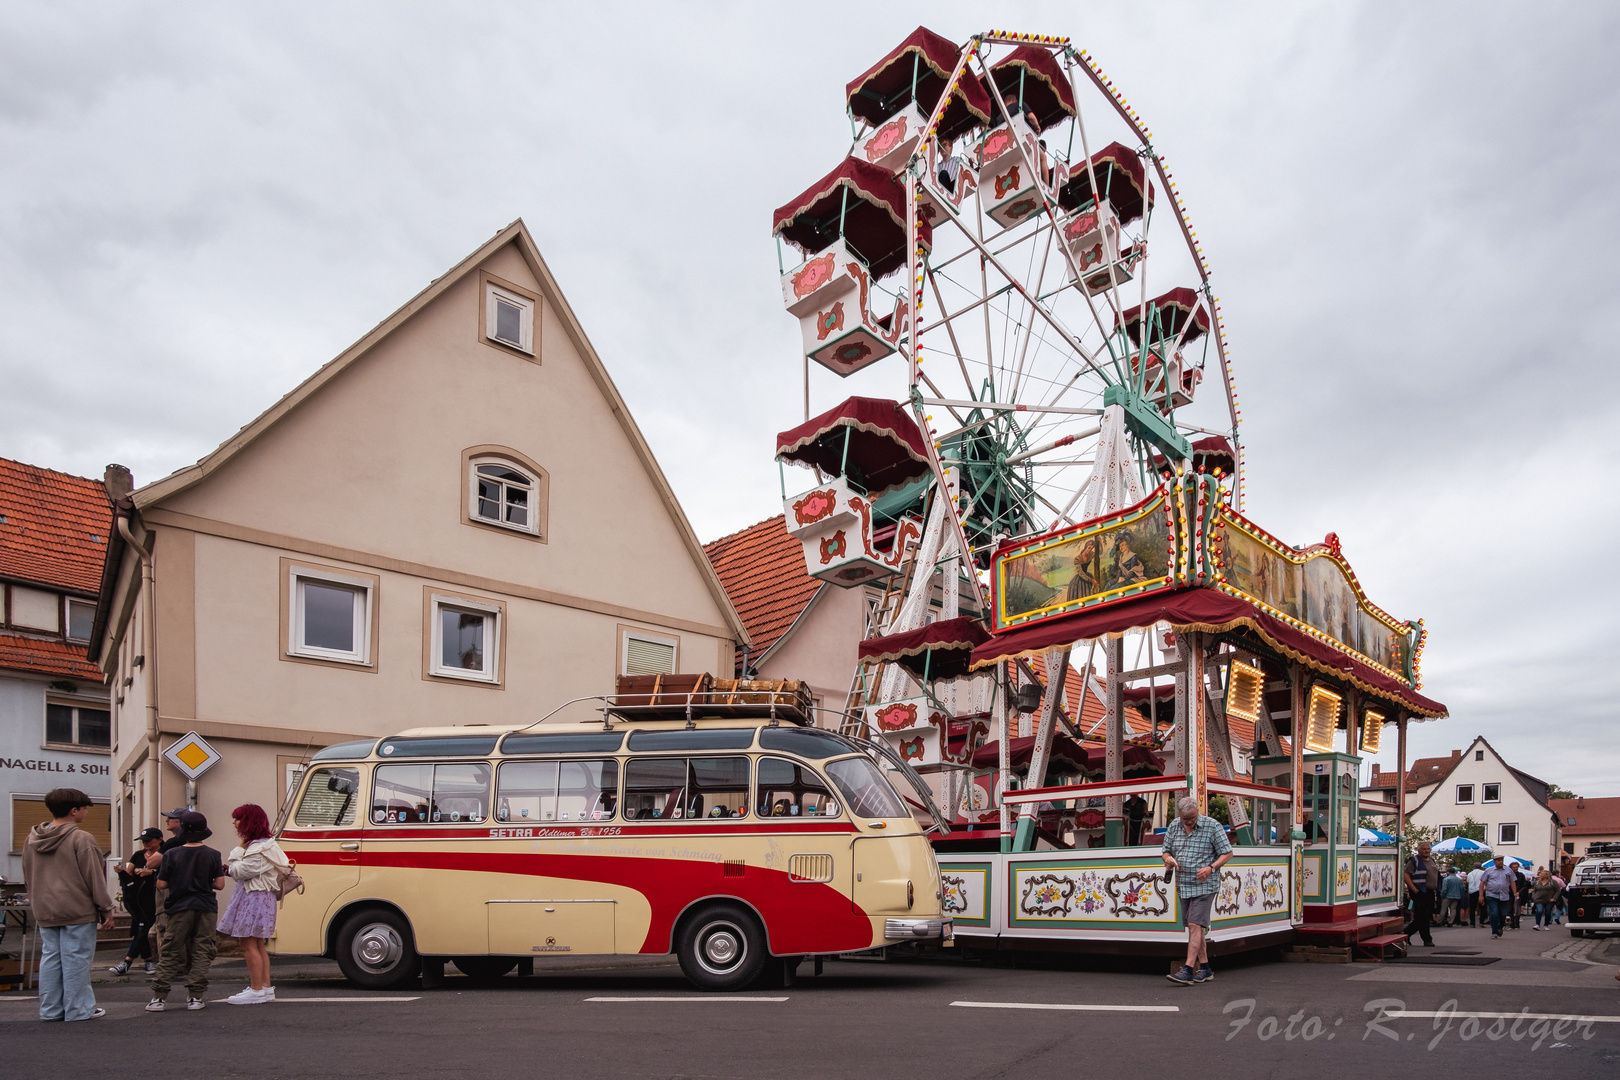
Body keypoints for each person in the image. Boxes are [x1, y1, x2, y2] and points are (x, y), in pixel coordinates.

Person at [22, 789, 116, 1022]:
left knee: (51, 958)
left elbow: (27, 874)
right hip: (77, 909)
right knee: (76, 959)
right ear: (74, 810)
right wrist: (106, 909)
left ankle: (50, 1010)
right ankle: (78, 1010)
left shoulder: (31, 839)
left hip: (45, 908)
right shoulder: (81, 838)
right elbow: (94, 877)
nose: (85, 813)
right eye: (84, 809)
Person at [146, 811, 224, 1012]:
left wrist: (180, 880)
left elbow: (161, 884)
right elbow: (220, 884)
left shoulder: (171, 854)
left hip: (179, 907)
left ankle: (159, 997)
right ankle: (195, 997)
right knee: (202, 951)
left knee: (171, 950)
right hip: (206, 906)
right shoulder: (213, 854)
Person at [218, 803, 290, 1004]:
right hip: (261, 897)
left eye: (238, 818)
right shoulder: (268, 845)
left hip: (253, 897)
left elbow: (239, 871)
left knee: (248, 943)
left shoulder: (259, 848)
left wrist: (238, 848)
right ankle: (265, 987)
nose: (235, 822)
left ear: (248, 821)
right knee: (257, 944)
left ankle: (256, 989)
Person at [1161, 796, 1232, 985]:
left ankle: (1188, 969)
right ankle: (1206, 968)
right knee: (1196, 927)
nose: (1189, 822)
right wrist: (1168, 859)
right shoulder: (1174, 826)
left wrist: (1211, 868)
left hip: (1205, 885)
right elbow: (1165, 850)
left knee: (1194, 924)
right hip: (1183, 884)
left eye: (1192, 818)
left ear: (1197, 812)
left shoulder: (1212, 826)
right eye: (1186, 819)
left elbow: (1228, 852)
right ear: (1180, 816)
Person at [110, 827, 164, 976]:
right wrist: (121, 872)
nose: (145, 843)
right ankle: (148, 962)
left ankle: (127, 962)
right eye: (143, 841)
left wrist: (151, 872)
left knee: (142, 929)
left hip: (155, 898)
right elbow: (130, 876)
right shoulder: (138, 855)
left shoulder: (165, 854)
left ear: (159, 839)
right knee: (141, 930)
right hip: (137, 900)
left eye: (149, 840)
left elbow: (170, 872)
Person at [150, 808, 188, 964]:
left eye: (171, 818)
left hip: (168, 888)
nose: (167, 821)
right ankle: (184, 964)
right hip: (186, 889)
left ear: (180, 822)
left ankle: (169, 965)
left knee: (164, 927)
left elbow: (151, 862)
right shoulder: (192, 841)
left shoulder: (174, 842)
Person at [1403, 841, 1440, 947]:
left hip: (1429, 892)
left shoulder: (1432, 860)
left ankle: (1406, 934)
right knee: (1422, 916)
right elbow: (1406, 875)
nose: (1427, 851)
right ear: (1419, 850)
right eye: (1424, 849)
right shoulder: (1414, 861)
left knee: (1425, 916)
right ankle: (1426, 939)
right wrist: (1414, 889)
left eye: (1428, 849)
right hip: (1420, 891)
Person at [1479, 854, 1516, 938]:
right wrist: (1481, 895)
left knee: (1503, 914)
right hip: (1492, 894)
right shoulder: (1489, 870)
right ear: (1494, 862)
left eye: (1501, 860)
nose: (1500, 862)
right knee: (1494, 913)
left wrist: (1515, 892)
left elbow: (1512, 881)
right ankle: (1494, 931)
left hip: (1504, 895)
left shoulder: (1508, 870)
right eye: (1498, 860)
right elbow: (1482, 883)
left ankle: (1500, 927)